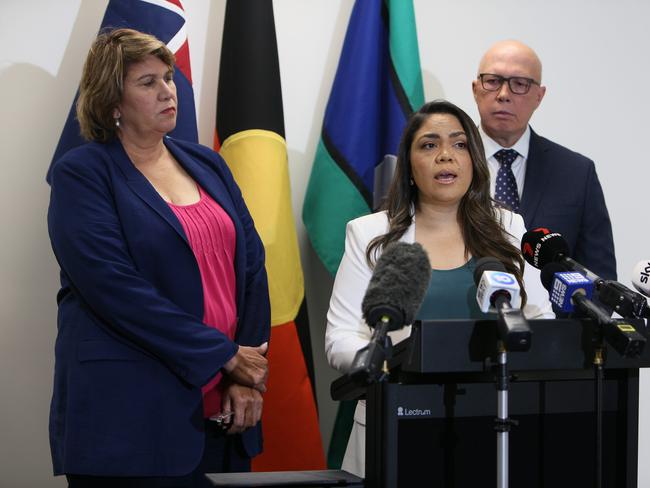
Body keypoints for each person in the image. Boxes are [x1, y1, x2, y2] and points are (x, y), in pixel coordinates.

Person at [47, 28, 270, 487]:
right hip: (130, 419)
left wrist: (245, 376)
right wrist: (224, 356)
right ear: (113, 102)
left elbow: (251, 267)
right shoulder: (83, 174)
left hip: (224, 409)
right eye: (147, 82)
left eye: (168, 78)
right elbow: (114, 288)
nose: (168, 90)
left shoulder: (208, 164)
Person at [325, 100, 554, 477]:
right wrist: (388, 361)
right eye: (429, 145)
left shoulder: (509, 228)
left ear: (474, 161)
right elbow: (340, 339)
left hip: (493, 421)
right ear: (410, 166)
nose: (446, 156)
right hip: (397, 422)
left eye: (459, 145)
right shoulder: (370, 234)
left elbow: (539, 320)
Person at [472, 39, 616, 280]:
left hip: (553, 317)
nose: (504, 94)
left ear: (539, 96)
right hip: (463, 315)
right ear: (476, 89)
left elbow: (599, 279)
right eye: (493, 81)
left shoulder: (577, 173)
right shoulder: (448, 166)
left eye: (520, 83)